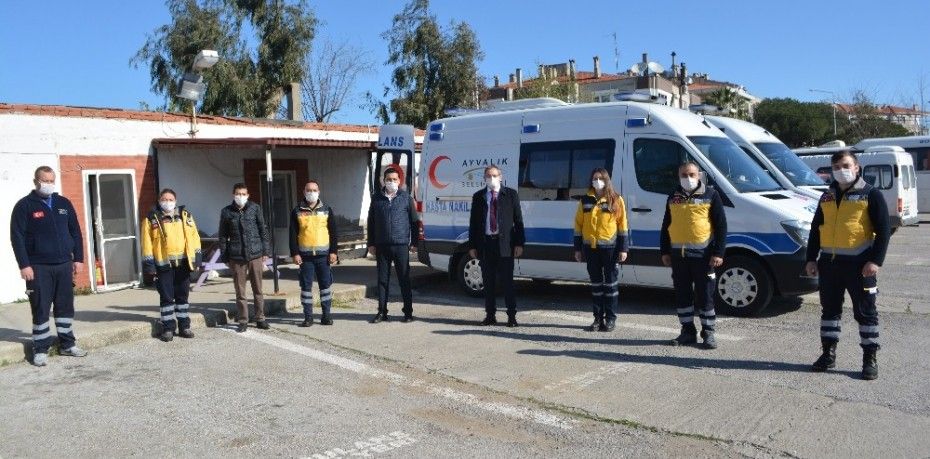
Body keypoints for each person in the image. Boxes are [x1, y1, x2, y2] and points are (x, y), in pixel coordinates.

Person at [805, 150, 890, 380]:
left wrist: (875, 261)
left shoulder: (871, 194)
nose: (840, 170)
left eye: (845, 165)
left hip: (860, 266)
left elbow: (883, 231)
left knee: (866, 313)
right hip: (830, 266)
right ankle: (828, 354)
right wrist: (811, 258)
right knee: (829, 312)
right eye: (835, 167)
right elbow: (816, 229)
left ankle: (869, 359)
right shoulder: (827, 196)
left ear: (856, 167)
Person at [10, 166, 88, 366]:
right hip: (38, 267)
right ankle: (41, 348)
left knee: (64, 307)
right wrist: (24, 265)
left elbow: (76, 233)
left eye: (52, 180)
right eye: (45, 180)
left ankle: (67, 344)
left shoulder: (63, 203)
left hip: (64, 264)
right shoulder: (25, 206)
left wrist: (78, 259)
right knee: (41, 307)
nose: (49, 184)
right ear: (36, 181)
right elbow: (17, 238)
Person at [660, 162, 726, 349]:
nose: (688, 178)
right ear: (678, 176)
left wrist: (718, 252)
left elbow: (721, 226)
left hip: (703, 256)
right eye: (683, 174)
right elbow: (666, 225)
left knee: (705, 296)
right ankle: (687, 331)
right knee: (683, 295)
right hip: (678, 256)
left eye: (691, 174)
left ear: (699, 175)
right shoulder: (673, 196)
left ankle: (708, 332)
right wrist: (664, 251)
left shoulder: (711, 195)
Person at [468, 165, 525, 327]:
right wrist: (472, 245)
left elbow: (518, 221)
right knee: (489, 282)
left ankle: (511, 316)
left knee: (507, 282)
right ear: (485, 178)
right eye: (488, 176)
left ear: (500, 177)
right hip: (486, 244)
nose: (491, 178)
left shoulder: (511, 195)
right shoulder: (478, 196)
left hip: (505, 245)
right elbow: (473, 223)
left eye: (494, 175)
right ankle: (490, 315)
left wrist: (520, 243)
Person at [141, 189, 202, 342]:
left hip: (183, 264)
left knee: (182, 296)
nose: (167, 202)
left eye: (170, 199)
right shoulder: (151, 219)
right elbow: (146, 244)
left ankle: (184, 326)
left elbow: (195, 237)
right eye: (164, 199)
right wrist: (149, 266)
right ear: (159, 200)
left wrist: (197, 260)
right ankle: (168, 328)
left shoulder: (186, 216)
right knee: (167, 298)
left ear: (175, 200)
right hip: (163, 265)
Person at [573, 168, 629, 332]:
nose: (597, 181)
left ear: (606, 180)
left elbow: (622, 225)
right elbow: (578, 225)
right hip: (590, 248)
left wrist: (623, 248)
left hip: (610, 248)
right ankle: (597, 319)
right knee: (596, 285)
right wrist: (577, 248)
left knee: (610, 285)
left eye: (600, 178)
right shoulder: (585, 200)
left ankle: (610, 319)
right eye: (594, 178)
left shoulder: (615, 199)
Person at [367, 168, 418, 323]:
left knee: (404, 279)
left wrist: (414, 242)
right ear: (384, 180)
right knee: (382, 280)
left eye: (395, 179)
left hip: (401, 245)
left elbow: (414, 222)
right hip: (382, 245)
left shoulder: (406, 198)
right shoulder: (377, 198)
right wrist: (371, 243)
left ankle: (408, 312)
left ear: (399, 181)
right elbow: (371, 222)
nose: (392, 182)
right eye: (389, 179)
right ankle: (382, 312)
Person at [218, 183, 271, 333]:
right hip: (236, 256)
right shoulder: (226, 212)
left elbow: (263, 230)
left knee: (258, 289)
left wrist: (265, 251)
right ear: (233, 195)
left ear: (248, 195)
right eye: (238, 194)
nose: (240, 196)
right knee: (240, 292)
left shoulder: (255, 208)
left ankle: (260, 318)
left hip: (255, 255)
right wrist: (225, 256)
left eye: (243, 194)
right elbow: (222, 236)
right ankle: (243, 320)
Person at [290, 180, 338, 327]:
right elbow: (292, 234)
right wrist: (295, 253)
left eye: (314, 190)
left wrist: (334, 252)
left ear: (319, 191)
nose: (311, 193)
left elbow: (333, 232)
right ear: (304, 192)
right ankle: (308, 317)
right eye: (308, 190)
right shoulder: (297, 210)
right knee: (306, 288)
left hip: (323, 256)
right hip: (305, 257)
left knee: (325, 286)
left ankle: (326, 316)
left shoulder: (327, 209)